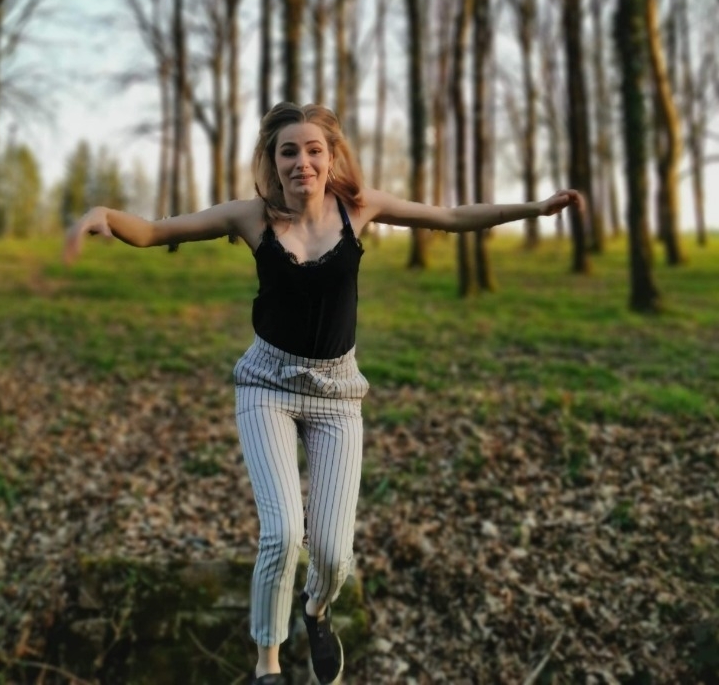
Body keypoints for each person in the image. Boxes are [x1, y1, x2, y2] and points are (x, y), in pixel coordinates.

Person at [64, 101, 585, 685]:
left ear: (330, 157)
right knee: (284, 534)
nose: (302, 162)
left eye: (314, 150)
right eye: (289, 151)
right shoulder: (252, 217)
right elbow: (157, 231)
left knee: (334, 554)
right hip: (267, 386)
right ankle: (267, 663)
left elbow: (451, 215)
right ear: (273, 161)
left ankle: (316, 609)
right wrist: (101, 215)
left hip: (338, 396)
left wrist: (534, 209)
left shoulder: (357, 208)